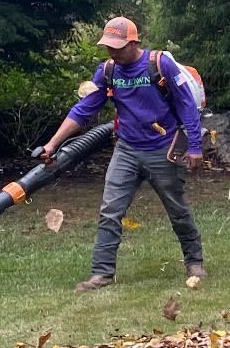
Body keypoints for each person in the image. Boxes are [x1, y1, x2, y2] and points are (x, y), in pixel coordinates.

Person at [39, 16, 206, 291]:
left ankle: (195, 262)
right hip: (126, 149)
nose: (112, 52)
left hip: (162, 149)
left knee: (176, 209)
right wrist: (52, 144)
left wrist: (195, 146)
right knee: (109, 211)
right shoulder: (107, 72)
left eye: (118, 46)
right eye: (109, 46)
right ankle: (101, 274)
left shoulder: (160, 63)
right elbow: (83, 110)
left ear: (134, 42)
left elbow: (187, 104)